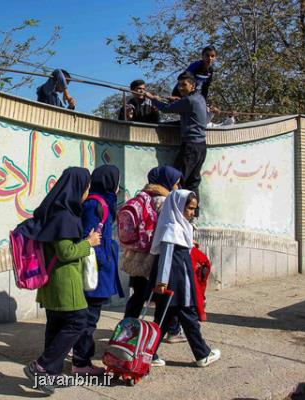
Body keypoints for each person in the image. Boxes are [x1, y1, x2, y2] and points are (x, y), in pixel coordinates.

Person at [20, 167, 102, 395]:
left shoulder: (53, 210)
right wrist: (89, 242)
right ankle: (41, 366)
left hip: (52, 282)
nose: (87, 192)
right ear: (78, 188)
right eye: (86, 187)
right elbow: (66, 252)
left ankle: (51, 375)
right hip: (65, 281)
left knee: (56, 326)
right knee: (78, 321)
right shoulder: (65, 216)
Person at [149, 190, 220, 368]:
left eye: (194, 209)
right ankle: (202, 354)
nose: (192, 212)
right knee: (188, 318)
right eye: (189, 208)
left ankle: (148, 354)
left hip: (176, 281)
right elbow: (165, 258)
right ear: (178, 206)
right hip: (176, 283)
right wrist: (162, 282)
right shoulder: (171, 228)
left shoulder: (179, 226)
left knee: (163, 320)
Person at [72, 165, 125, 375]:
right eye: (117, 180)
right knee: (89, 317)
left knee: (89, 315)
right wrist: (103, 259)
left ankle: (79, 357)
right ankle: (81, 362)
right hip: (95, 268)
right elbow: (89, 236)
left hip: (99, 266)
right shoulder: (96, 203)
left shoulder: (101, 202)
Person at [122, 165, 182, 319]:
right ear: (166, 181)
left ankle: (126, 330)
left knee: (138, 295)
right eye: (176, 182)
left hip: (136, 256)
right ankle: (166, 331)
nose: (177, 186)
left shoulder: (142, 197)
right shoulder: (165, 201)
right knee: (163, 297)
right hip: (155, 258)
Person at [144, 72, 207, 216]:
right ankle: (193, 214)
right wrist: (177, 100)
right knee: (193, 181)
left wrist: (153, 99)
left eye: (184, 85)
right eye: (179, 85)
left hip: (190, 146)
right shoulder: (199, 98)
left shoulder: (189, 101)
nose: (181, 88)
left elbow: (166, 109)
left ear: (193, 85)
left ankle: (179, 213)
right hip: (201, 146)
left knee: (179, 180)